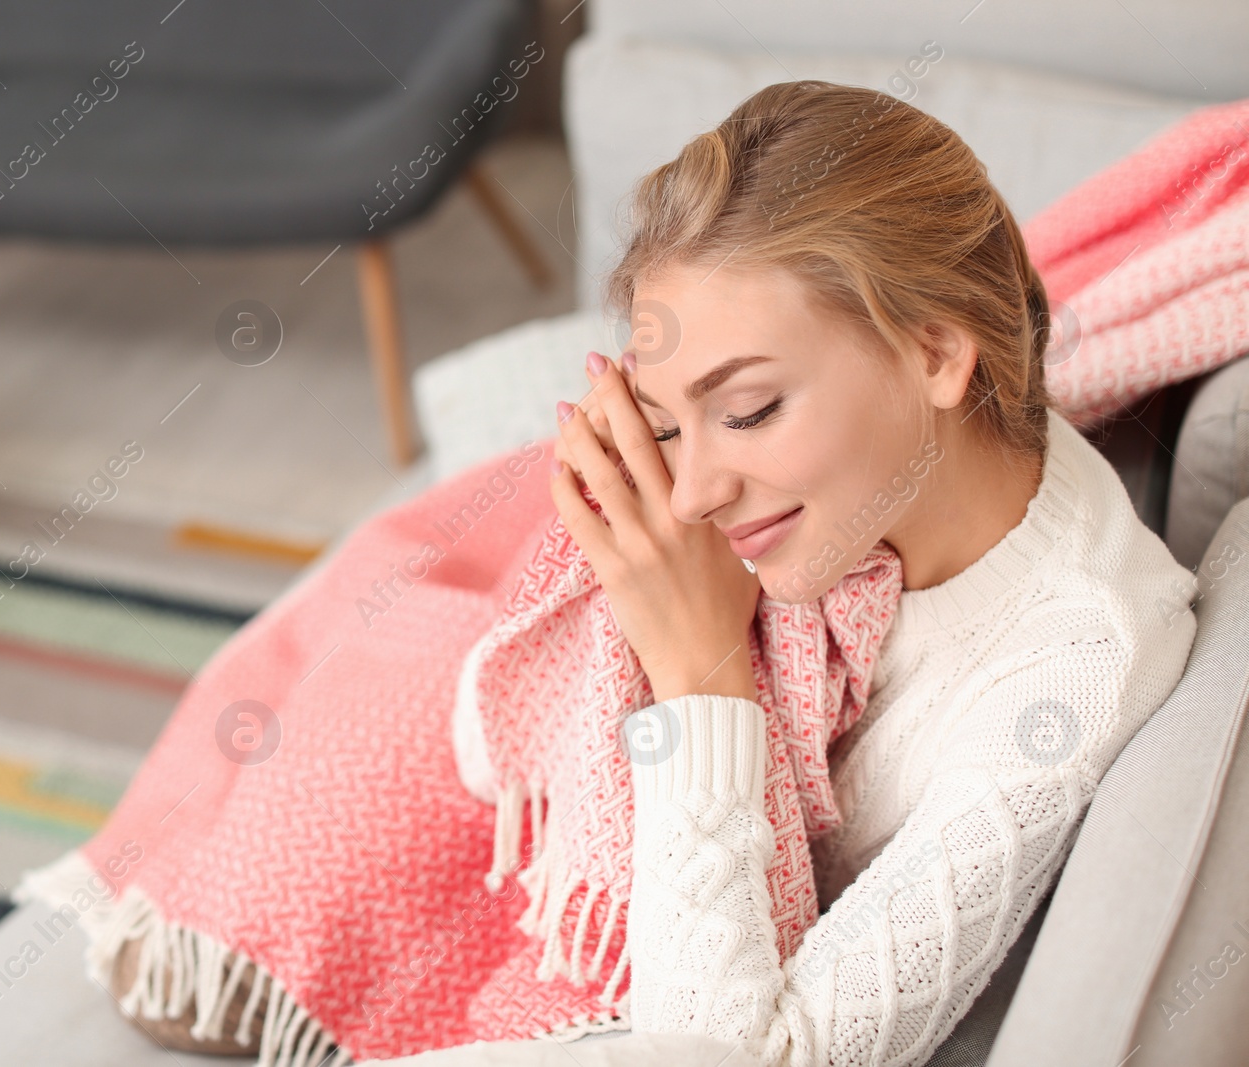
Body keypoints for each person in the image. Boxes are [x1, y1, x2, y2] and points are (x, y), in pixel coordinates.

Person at [111, 80, 1199, 1066]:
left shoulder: (1074, 658)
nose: (690, 501)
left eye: (751, 408)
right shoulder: (870, 489)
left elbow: (733, 1055)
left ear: (935, 351)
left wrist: (703, 670)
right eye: (671, 422)